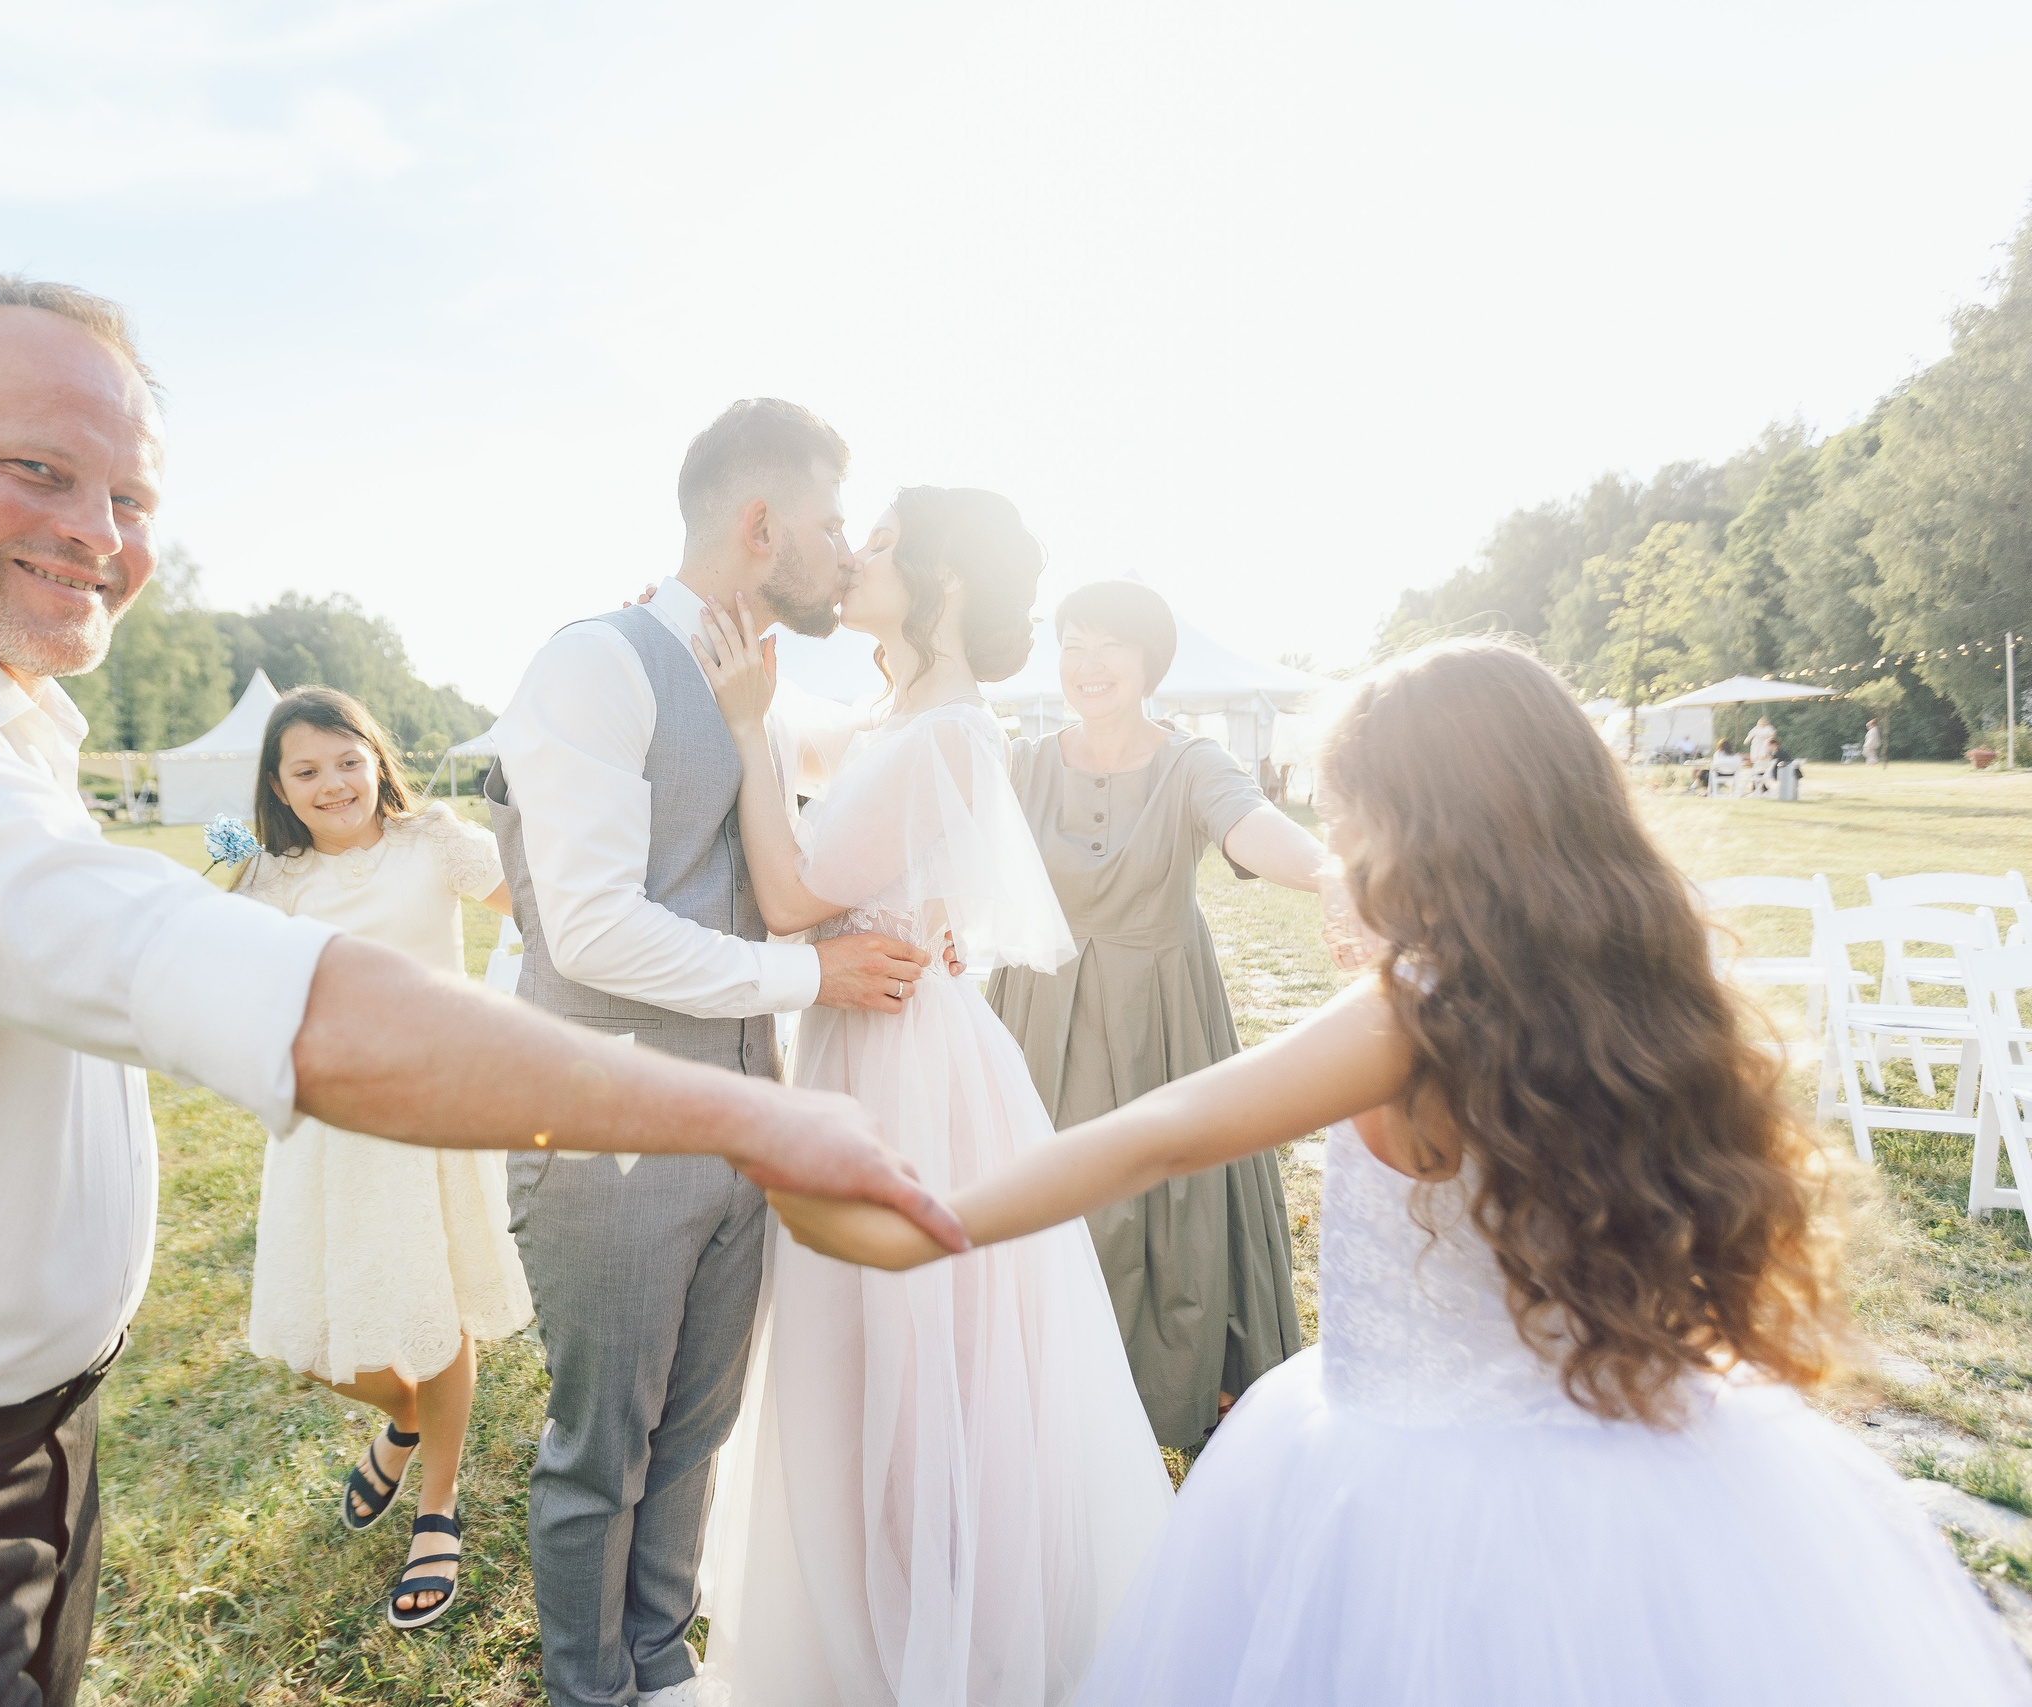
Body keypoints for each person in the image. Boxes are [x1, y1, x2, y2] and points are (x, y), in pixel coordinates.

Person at [0, 281, 960, 1707]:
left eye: (130, 493)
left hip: (3, 1471)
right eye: (37, 470)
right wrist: (764, 1115)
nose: (101, 536)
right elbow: (271, 991)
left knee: (684, 1423)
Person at [770, 639, 2032, 1706]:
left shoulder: (1417, 1009)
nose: (1335, 843)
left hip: (1408, 1484)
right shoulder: (1632, 983)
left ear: (1414, 826)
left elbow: (1167, 1130)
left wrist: (922, 1220)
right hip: (1643, 1448)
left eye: (1345, 814)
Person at [484, 398, 955, 1707]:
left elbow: (856, 795)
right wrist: (807, 971)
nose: (844, 550)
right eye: (829, 525)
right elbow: (588, 933)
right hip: (608, 1126)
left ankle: (659, 1664)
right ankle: (590, 1687)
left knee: (695, 1429)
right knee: (602, 1449)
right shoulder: (594, 662)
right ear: (762, 525)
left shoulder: (762, 691)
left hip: (753, 1118)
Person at [693, 489, 1171, 1706]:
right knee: (867, 1355)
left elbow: (796, 896)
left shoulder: (951, 731)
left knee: (926, 1361)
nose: (856, 556)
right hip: (868, 1036)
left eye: (889, 545)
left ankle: (944, 1634)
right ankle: (886, 1599)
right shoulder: (896, 712)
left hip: (906, 1067)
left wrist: (747, 729)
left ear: (947, 584)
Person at [985, 580, 1321, 1450]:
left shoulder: (1191, 762)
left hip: (1161, 1023)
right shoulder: (1019, 762)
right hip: (1041, 1018)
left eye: (1109, 647)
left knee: (1169, 1223)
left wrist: (1338, 877)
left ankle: (1168, 1395)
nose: (1088, 666)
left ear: (1148, 662)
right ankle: (1049, 1414)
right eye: (1072, 644)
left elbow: (1251, 827)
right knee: (1052, 1221)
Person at [231, 686, 532, 1630]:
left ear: (376, 757)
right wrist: (221, 867)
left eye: (346, 759)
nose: (333, 783)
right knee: (308, 1334)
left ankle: (436, 1502)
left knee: (443, 1311)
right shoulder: (271, 880)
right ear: (279, 787)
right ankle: (400, 1414)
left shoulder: (430, 841)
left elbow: (534, 899)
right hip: (326, 1125)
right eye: (307, 770)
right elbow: (211, 967)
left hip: (436, 1109)